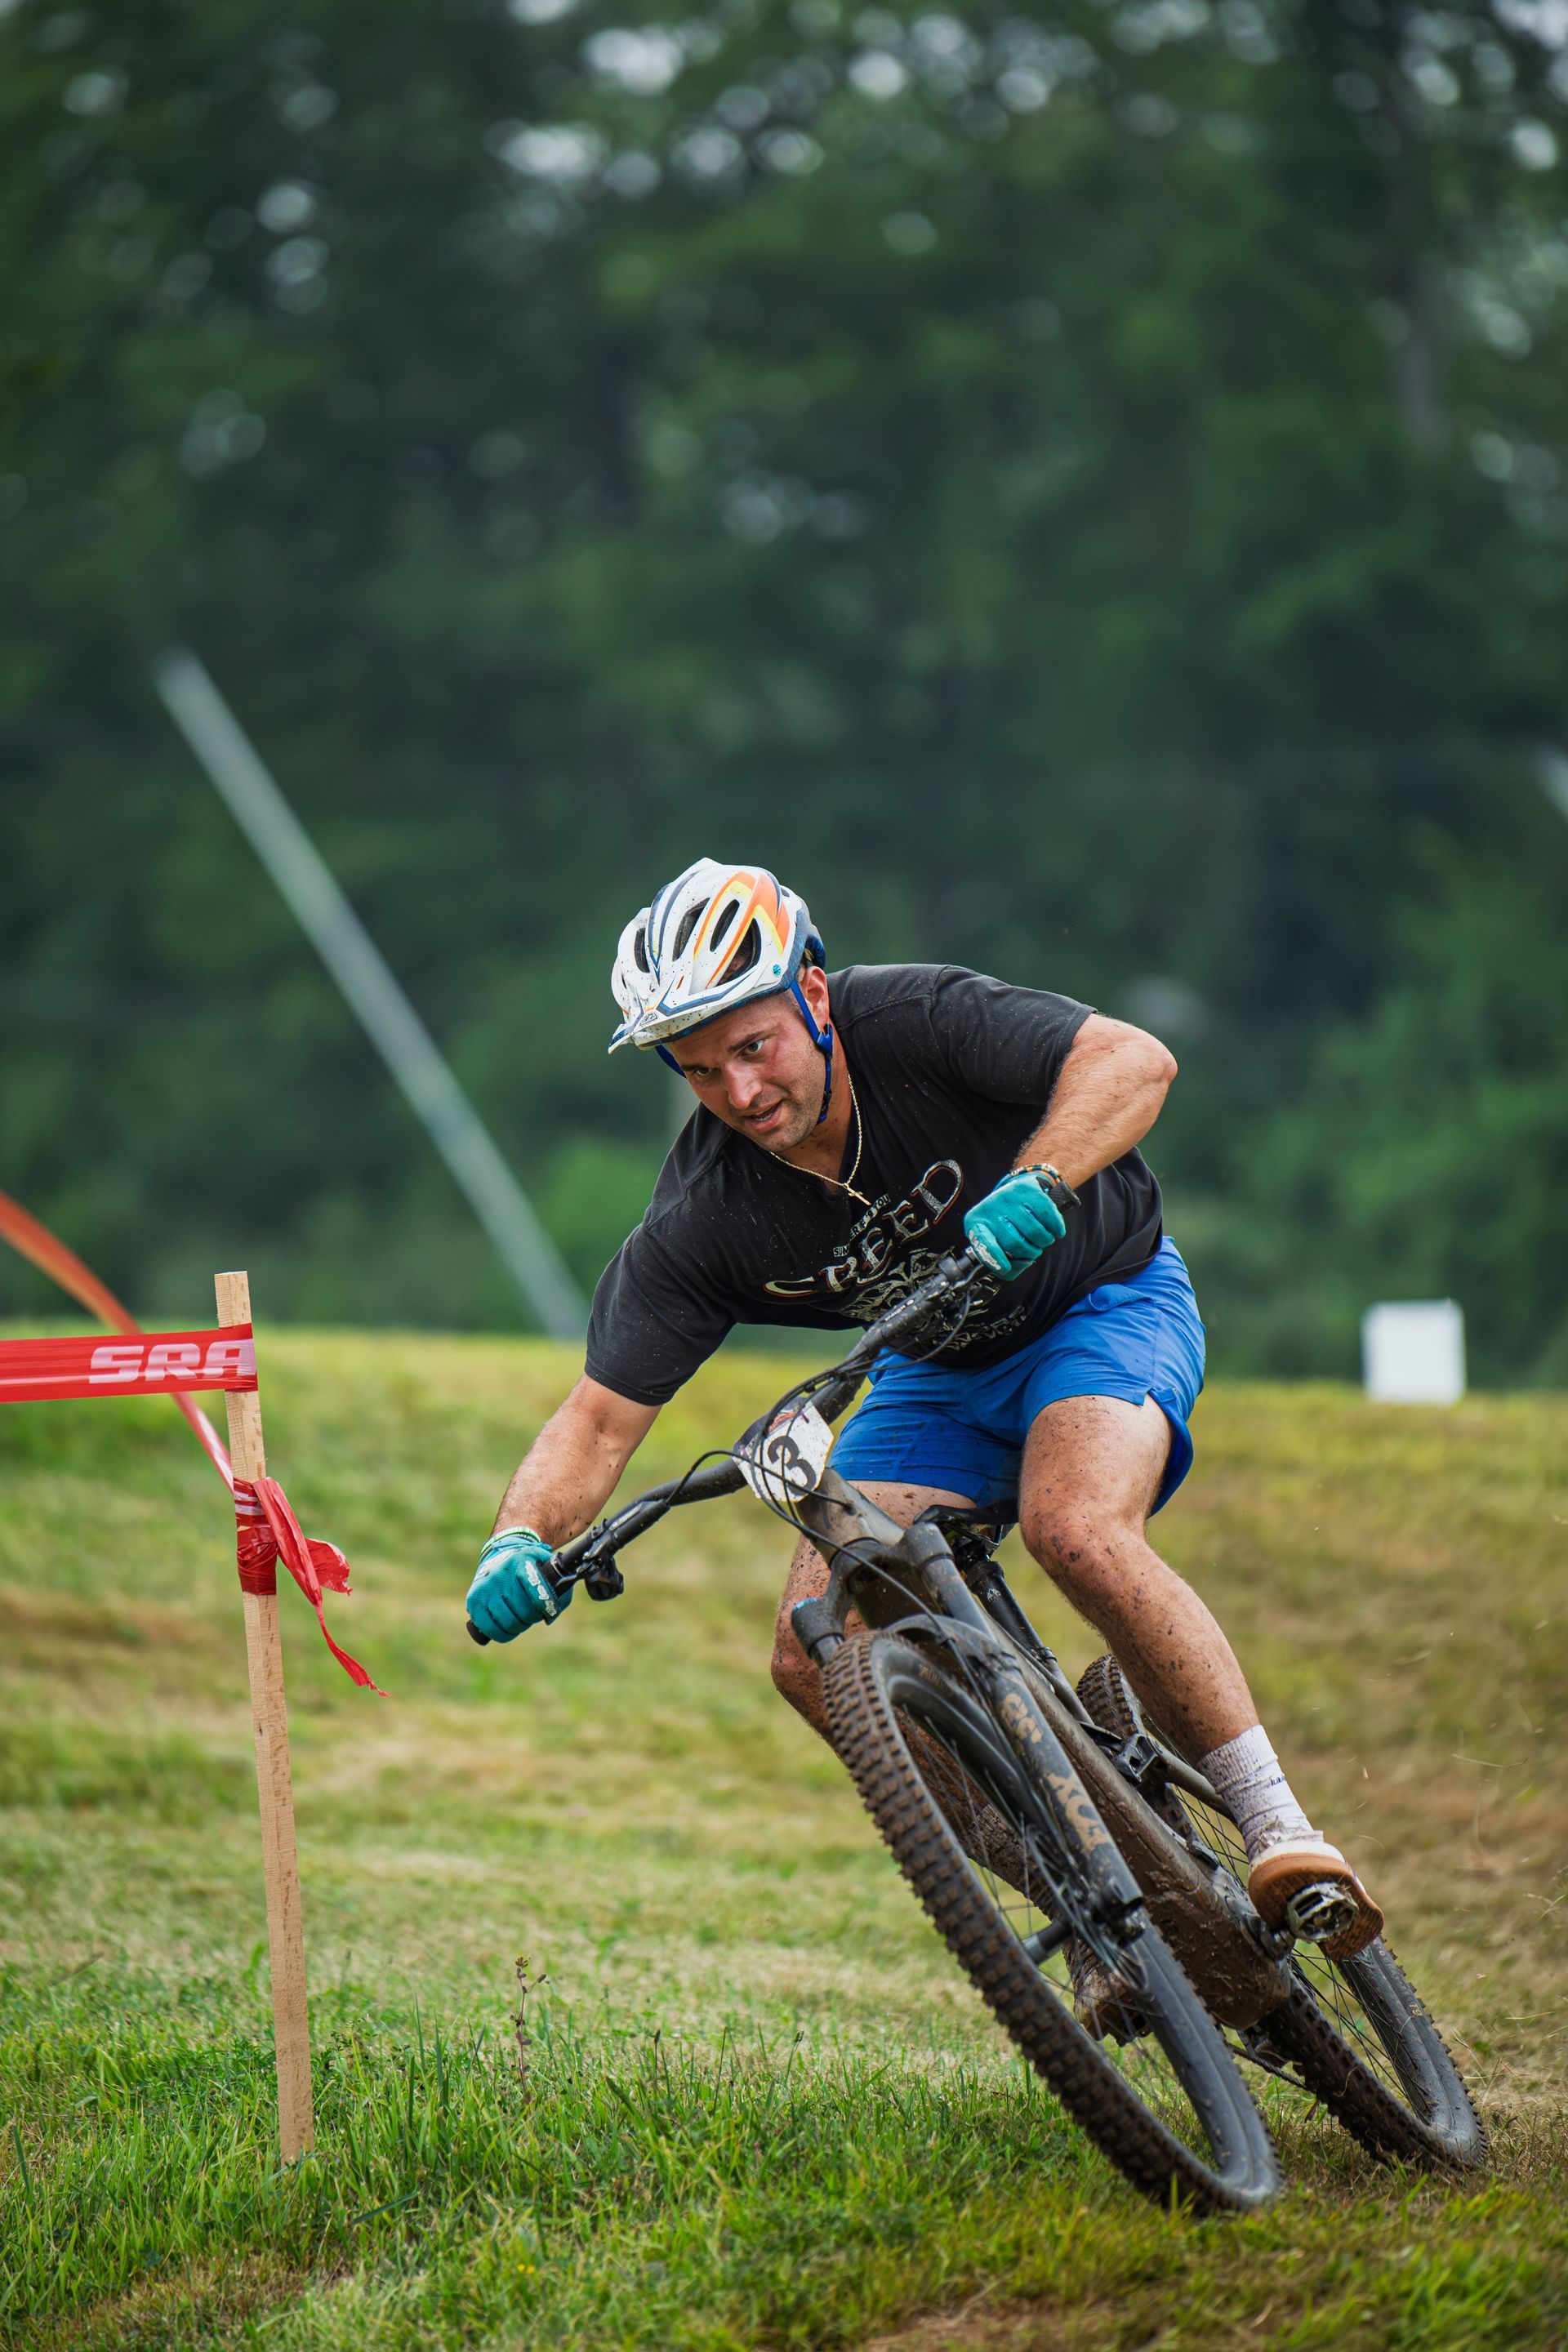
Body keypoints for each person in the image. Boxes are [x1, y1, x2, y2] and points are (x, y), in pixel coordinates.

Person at [468, 858, 1382, 1964]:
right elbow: (599, 1419)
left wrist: (1040, 1180)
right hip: (928, 1372)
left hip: (1099, 1299)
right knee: (816, 1655)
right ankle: (1093, 1907)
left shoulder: (917, 1020)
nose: (742, 1094)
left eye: (754, 1049)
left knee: (1075, 1528)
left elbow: (1134, 1061)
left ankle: (1282, 1833)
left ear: (810, 992)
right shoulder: (706, 1214)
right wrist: (519, 1538)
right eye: (704, 1073)